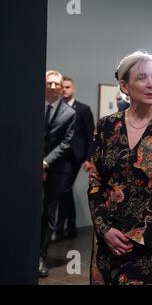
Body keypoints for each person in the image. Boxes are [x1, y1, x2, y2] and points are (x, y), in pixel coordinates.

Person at [88, 51, 152, 285]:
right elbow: (95, 183)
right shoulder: (106, 126)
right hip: (106, 237)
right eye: (142, 78)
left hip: (147, 242)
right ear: (124, 85)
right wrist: (105, 229)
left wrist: (134, 235)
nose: (151, 84)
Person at [41, 70, 76, 277]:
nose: (53, 87)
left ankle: (41, 257)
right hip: (28, 169)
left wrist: (45, 162)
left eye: (57, 84)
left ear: (62, 87)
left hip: (54, 169)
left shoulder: (69, 113)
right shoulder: (32, 105)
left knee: (48, 214)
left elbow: (66, 143)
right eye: (49, 83)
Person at [52, 76, 95, 241]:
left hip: (75, 157)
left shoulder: (83, 109)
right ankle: (70, 226)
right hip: (57, 155)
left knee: (62, 190)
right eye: (62, 87)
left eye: (67, 87)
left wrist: (88, 158)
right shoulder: (55, 108)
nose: (64, 89)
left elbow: (91, 135)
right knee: (63, 191)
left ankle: (59, 228)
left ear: (73, 89)